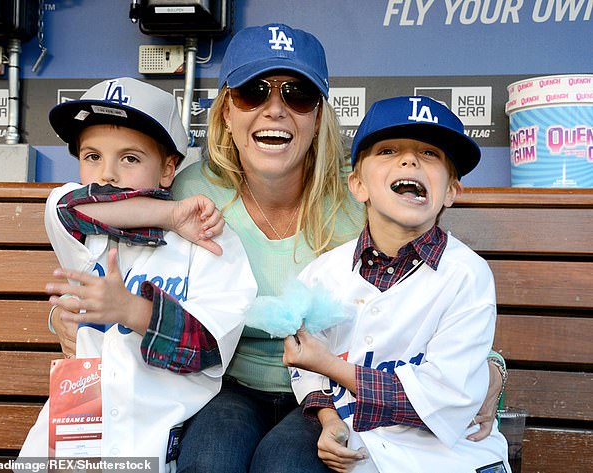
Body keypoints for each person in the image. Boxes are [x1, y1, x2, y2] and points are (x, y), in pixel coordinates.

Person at [51, 25, 506, 472]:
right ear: (226, 110)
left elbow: (424, 293)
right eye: (253, 92)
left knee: (286, 463)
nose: (275, 110)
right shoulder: (190, 192)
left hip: (332, 388)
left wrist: (492, 369)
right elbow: (105, 236)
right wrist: (66, 313)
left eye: (297, 94)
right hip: (229, 383)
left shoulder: (364, 194)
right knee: (212, 459)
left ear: (318, 116)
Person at [17, 77, 257, 473]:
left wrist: (130, 310)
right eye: (92, 156)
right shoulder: (80, 228)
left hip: (155, 437)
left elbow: (208, 347)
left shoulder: (210, 239)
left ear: (167, 169)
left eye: (129, 158)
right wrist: (169, 214)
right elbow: (72, 206)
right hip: (72, 428)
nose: (107, 173)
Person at [282, 95, 510, 472]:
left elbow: (443, 399)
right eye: (388, 150)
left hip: (455, 457)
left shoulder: (468, 274)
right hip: (363, 451)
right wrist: (329, 420)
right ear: (357, 185)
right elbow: (305, 367)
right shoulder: (323, 272)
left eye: (430, 153)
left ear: (451, 190)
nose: (409, 160)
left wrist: (332, 366)